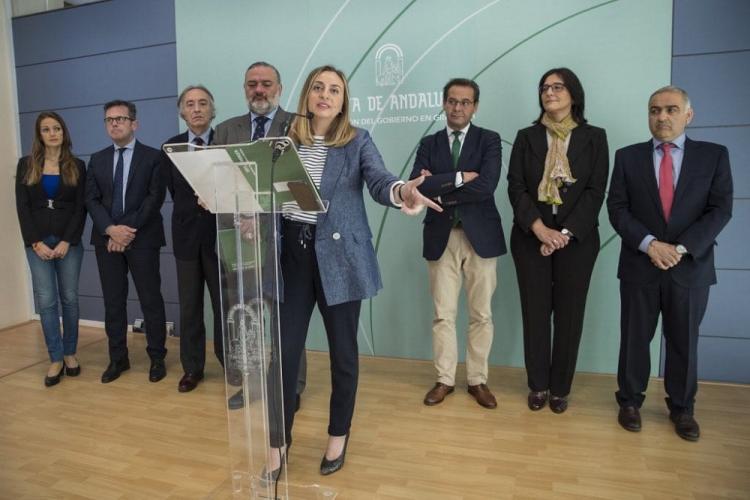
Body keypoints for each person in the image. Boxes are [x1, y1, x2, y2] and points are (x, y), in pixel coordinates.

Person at [268, 64, 439, 476]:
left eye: (335, 90)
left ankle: (337, 437)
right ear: (307, 95)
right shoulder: (280, 142)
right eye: (318, 88)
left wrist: (403, 192)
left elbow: (381, 181)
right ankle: (278, 444)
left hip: (340, 260)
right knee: (283, 356)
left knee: (343, 356)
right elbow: (264, 193)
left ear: (344, 101)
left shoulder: (357, 140)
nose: (326, 95)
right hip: (291, 257)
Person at [607, 85, 733, 441]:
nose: (662, 117)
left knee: (684, 341)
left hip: (690, 266)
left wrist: (678, 248)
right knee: (634, 339)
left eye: (671, 110)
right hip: (639, 264)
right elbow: (617, 209)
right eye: (654, 110)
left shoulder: (713, 156)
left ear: (688, 115)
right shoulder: (627, 157)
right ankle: (629, 402)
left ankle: (682, 408)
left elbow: (720, 209)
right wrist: (650, 245)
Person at [507, 68, 609, 413]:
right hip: (530, 238)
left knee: (569, 315)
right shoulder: (526, 137)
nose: (549, 92)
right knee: (535, 313)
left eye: (557, 87)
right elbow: (516, 186)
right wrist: (539, 229)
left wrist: (563, 235)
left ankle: (560, 388)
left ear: (573, 94)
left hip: (576, 241)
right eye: (544, 88)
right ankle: (537, 385)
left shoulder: (595, 137)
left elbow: (596, 192)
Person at [213, 61, 306, 410]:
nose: (259, 90)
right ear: (244, 89)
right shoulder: (224, 131)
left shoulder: (298, 126)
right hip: (241, 242)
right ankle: (251, 385)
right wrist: (240, 217)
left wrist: (262, 218)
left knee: (288, 319)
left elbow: (299, 183)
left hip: (287, 240)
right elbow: (217, 185)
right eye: (252, 84)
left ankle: (290, 387)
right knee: (247, 316)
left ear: (279, 88)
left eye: (266, 83)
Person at [410, 78, 506, 410]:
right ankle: (445, 380)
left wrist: (440, 187)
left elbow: (487, 187)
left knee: (481, 314)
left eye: (465, 102)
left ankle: (478, 380)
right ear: (443, 103)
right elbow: (418, 187)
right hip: (441, 236)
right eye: (452, 101)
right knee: (443, 315)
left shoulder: (489, 140)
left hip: (481, 237)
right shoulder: (429, 143)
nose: (458, 107)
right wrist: (462, 177)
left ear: (475, 106)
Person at [85, 100, 168, 384]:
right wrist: (110, 229)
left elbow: (154, 198)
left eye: (121, 118)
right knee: (113, 302)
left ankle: (157, 357)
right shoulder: (96, 159)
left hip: (142, 237)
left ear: (134, 123)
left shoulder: (154, 157)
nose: (115, 123)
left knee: (151, 300)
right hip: (106, 241)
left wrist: (126, 230)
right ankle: (118, 359)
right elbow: (91, 199)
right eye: (109, 120)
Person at [15, 111, 86, 387]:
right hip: (38, 243)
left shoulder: (78, 165)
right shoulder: (26, 164)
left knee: (69, 298)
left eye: (57, 128)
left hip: (69, 242)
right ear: (39, 134)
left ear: (64, 132)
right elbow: (22, 207)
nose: (52, 133)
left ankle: (70, 353)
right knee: (46, 301)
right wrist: (35, 242)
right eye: (46, 129)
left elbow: (81, 207)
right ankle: (55, 357)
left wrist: (68, 240)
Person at [163, 85, 223, 393]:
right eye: (190, 104)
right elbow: (176, 193)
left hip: (220, 240)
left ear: (213, 110)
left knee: (224, 306)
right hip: (186, 239)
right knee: (189, 308)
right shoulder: (170, 147)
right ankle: (192, 369)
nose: (196, 108)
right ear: (182, 112)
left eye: (202, 103)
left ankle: (231, 365)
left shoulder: (226, 142)